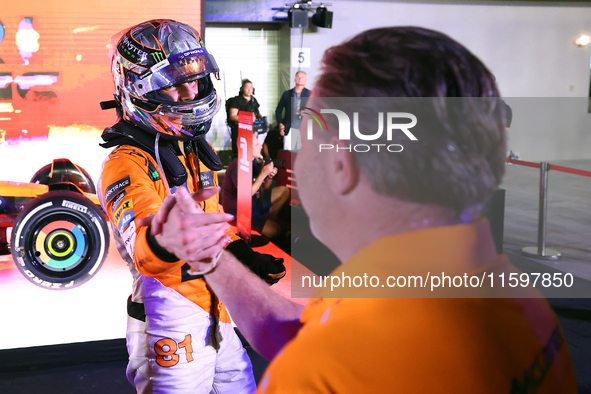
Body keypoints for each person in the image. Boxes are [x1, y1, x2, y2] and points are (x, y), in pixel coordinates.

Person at [142, 27, 577, 393]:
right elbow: (297, 330)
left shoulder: (319, 375)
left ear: (340, 164)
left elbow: (320, 353)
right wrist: (210, 257)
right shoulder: (511, 293)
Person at [96, 19, 279, 394]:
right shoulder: (124, 163)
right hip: (169, 317)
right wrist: (166, 239)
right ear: (141, 89)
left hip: (216, 305)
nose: (191, 91)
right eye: (174, 83)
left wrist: (241, 253)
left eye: (195, 79)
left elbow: (208, 224)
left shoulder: (185, 148)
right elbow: (145, 247)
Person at [222, 132, 290, 240]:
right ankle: (264, 227)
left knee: (284, 191)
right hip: (240, 213)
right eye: (256, 145)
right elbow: (246, 194)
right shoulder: (237, 167)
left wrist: (268, 176)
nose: (261, 146)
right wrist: (263, 174)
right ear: (247, 148)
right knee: (275, 231)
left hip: (255, 204)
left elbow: (265, 187)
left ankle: (266, 221)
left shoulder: (253, 163)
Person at [275, 71, 310, 151]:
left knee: (303, 154)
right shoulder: (287, 94)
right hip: (290, 129)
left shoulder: (310, 94)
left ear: (306, 80)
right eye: (298, 77)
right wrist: (280, 124)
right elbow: (278, 110)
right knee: (289, 155)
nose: (300, 79)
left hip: (305, 130)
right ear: (295, 79)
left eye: (302, 77)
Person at [227, 79, 263, 158]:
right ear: (242, 88)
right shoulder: (237, 101)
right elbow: (232, 116)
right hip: (239, 130)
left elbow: (258, 114)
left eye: (251, 88)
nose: (250, 90)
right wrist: (247, 119)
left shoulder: (254, 100)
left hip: (252, 131)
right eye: (247, 87)